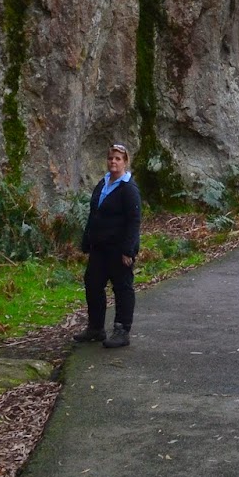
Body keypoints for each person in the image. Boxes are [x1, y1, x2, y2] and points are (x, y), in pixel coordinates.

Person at [76, 143, 142, 348]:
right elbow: (94, 213)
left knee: (122, 288)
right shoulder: (103, 183)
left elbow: (134, 221)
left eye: (118, 159)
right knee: (93, 284)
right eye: (111, 158)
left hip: (119, 249)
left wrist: (128, 250)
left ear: (125, 162)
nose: (113, 162)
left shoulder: (128, 188)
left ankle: (122, 331)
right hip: (99, 247)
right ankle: (96, 328)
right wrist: (87, 240)